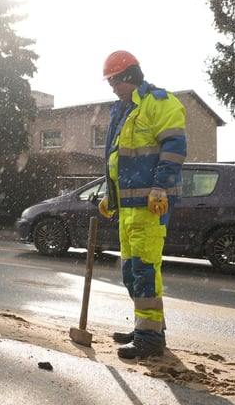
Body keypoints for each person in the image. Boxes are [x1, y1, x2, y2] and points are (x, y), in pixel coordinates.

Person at [97, 50, 187, 359]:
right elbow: (116, 158)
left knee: (145, 270)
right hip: (129, 206)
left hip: (151, 205)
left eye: (115, 82)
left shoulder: (159, 102)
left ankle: (150, 339)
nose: (113, 88)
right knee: (130, 272)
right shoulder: (121, 111)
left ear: (129, 76)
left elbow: (174, 147)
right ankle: (145, 327)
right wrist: (111, 194)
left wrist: (160, 187)